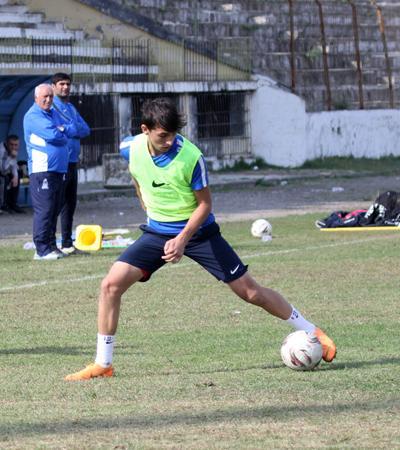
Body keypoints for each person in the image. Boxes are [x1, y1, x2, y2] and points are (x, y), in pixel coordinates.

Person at [65, 98, 337, 380]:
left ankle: (312, 331)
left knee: (250, 293)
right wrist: (142, 198)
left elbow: (205, 205)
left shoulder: (191, 157)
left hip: (199, 233)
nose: (170, 141)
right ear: (145, 130)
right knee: (110, 285)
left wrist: (182, 239)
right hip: (157, 232)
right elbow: (137, 172)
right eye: (163, 135)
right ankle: (103, 364)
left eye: (173, 134)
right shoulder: (129, 148)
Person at [23, 84, 78, 260]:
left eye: (50, 97)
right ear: (36, 98)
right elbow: (54, 135)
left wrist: (62, 130)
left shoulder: (53, 113)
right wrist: (62, 131)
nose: (48, 100)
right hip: (43, 170)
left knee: (54, 209)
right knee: (45, 209)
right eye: (44, 97)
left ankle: (51, 246)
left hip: (58, 169)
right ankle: (41, 250)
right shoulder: (33, 116)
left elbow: (73, 128)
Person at [52, 73, 91, 253]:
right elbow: (56, 130)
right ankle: (49, 243)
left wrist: (68, 129)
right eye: (61, 84)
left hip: (73, 162)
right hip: (60, 163)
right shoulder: (51, 107)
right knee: (56, 204)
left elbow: (86, 130)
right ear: (54, 86)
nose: (65, 87)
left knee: (70, 204)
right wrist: (72, 129)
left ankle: (67, 243)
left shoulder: (71, 107)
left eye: (68, 84)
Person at [1, 135, 25, 214]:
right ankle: (3, 205)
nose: (14, 147)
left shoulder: (12, 151)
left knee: (16, 176)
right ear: (7, 143)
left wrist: (15, 177)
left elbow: (14, 166)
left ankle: (12, 204)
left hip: (4, 171)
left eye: (16, 145)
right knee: (5, 178)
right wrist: (11, 157)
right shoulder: (2, 151)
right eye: (11, 144)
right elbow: (3, 170)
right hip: (1, 172)